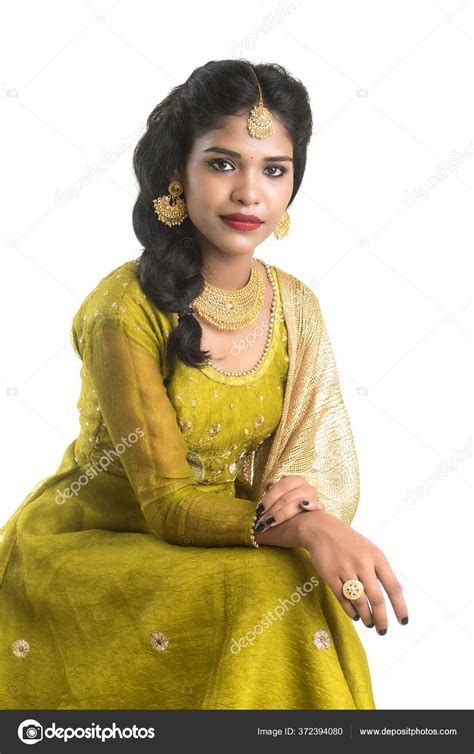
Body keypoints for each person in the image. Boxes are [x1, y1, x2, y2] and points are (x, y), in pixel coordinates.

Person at [0, 59, 409, 711]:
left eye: (273, 169)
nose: (250, 193)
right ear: (176, 175)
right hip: (103, 536)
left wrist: (308, 513)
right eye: (223, 164)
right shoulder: (125, 311)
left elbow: (314, 453)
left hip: (231, 526)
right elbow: (167, 501)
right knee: (266, 589)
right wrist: (304, 530)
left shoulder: (293, 305)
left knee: (287, 582)